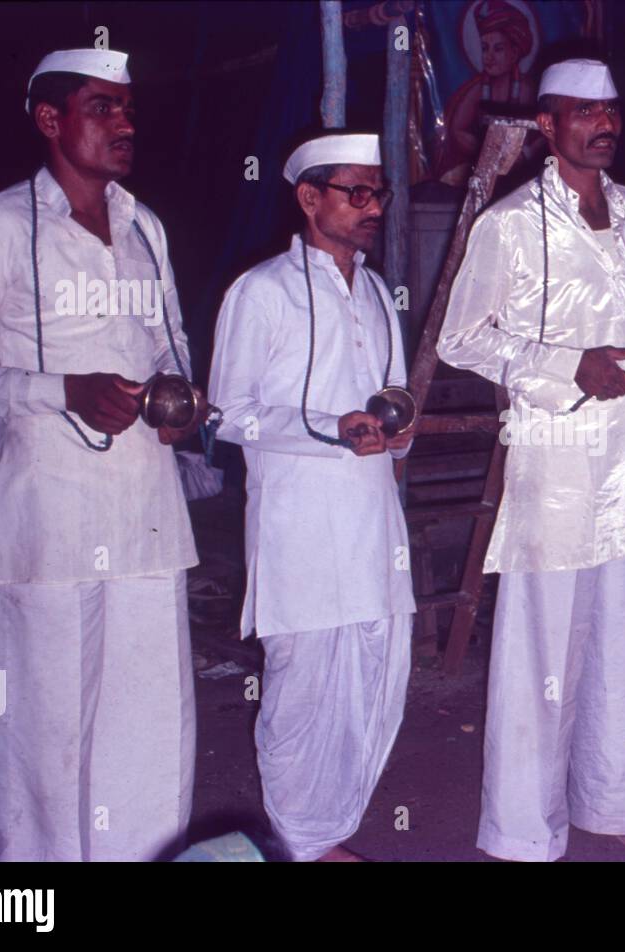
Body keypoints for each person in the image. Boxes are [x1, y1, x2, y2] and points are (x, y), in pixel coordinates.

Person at [0, 48, 202, 860]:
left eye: (129, 108)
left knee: (150, 722)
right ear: (50, 120)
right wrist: (58, 390)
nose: (125, 123)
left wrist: (183, 406)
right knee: (47, 729)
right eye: (102, 108)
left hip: (145, 510)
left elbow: (171, 350)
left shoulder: (147, 227)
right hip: (50, 516)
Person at [438, 58, 625, 861]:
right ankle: (523, 830)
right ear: (548, 125)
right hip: (554, 458)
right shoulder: (508, 223)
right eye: (584, 111)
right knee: (542, 647)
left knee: (623, 635)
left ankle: (612, 802)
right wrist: (562, 366)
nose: (603, 124)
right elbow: (460, 338)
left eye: (610, 110)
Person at [207, 132, 415, 862]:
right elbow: (226, 413)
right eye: (355, 192)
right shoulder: (261, 291)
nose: (372, 207)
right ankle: (295, 843)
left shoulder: (378, 292)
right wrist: (329, 427)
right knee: (302, 693)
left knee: (375, 676)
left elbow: (396, 399)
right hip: (300, 522)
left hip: (372, 518)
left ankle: (329, 836)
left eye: (377, 193)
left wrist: (396, 434)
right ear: (308, 198)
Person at [434, 0, 537, 185]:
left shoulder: (527, 90)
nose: (488, 56)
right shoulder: (477, 90)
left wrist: (524, 155)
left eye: (498, 49)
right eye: (484, 48)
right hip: (482, 167)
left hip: (524, 170)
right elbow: (458, 130)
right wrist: (487, 153)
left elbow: (547, 133)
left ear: (515, 52)